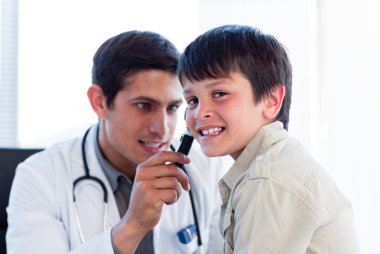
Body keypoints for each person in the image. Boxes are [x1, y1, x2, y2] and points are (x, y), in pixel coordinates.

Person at [6, 30, 232, 254]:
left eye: (172, 107)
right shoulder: (40, 176)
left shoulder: (209, 167)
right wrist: (133, 225)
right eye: (144, 105)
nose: (162, 129)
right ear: (99, 102)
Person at [178, 25, 359, 254]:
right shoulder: (271, 164)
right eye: (192, 100)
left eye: (219, 94)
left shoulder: (267, 178)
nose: (200, 113)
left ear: (271, 100)